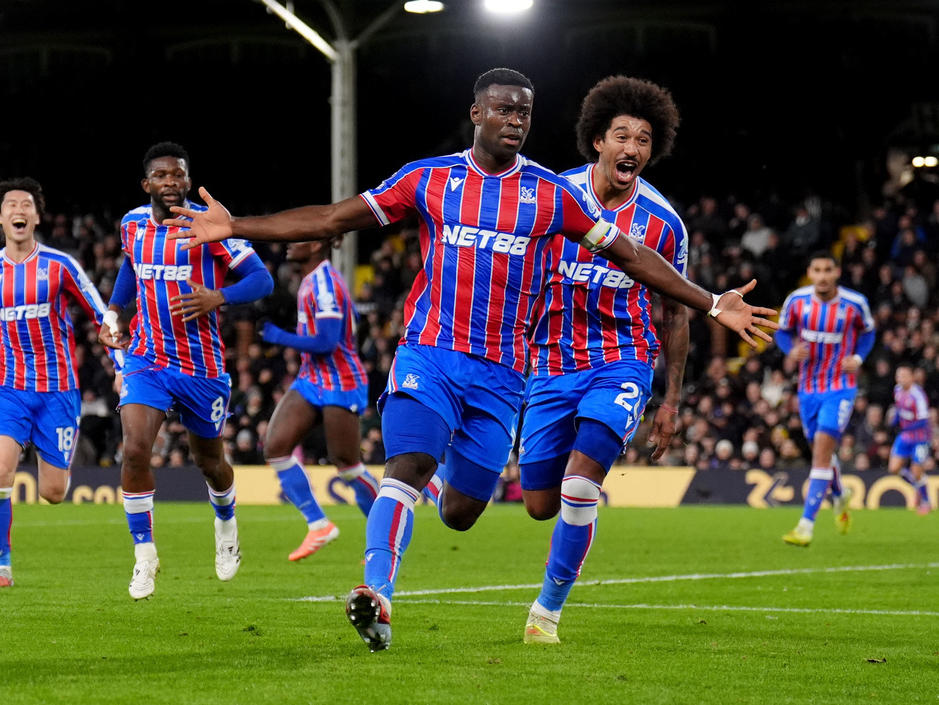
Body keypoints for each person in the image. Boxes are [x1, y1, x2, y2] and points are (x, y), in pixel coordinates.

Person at [165, 68, 776, 651]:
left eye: (525, 113)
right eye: (504, 109)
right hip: (428, 355)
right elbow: (332, 218)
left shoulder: (550, 196)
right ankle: (376, 593)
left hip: (505, 376)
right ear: (476, 113)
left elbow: (634, 256)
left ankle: (460, 521)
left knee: (461, 512)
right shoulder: (427, 180)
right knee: (408, 464)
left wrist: (709, 302)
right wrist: (236, 225)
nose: (515, 120)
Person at [515, 75, 691, 644]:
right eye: (622, 135)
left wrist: (670, 401)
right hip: (550, 364)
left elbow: (676, 312)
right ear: (597, 140)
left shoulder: (664, 224)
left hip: (623, 361)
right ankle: (571, 509)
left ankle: (546, 611)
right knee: (541, 504)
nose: (632, 148)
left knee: (580, 485)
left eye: (643, 139)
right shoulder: (549, 195)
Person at [98, 142, 273, 600]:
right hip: (147, 359)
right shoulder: (132, 223)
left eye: (178, 174)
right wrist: (115, 312)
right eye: (161, 176)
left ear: (188, 180)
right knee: (135, 450)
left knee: (208, 463)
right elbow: (131, 269)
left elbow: (262, 279)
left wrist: (220, 297)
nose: (171, 182)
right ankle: (144, 556)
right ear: (147, 184)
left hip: (202, 367)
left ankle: (226, 521)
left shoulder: (210, 225)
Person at [0, 177, 111, 588]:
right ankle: (0, 568)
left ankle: (52, 456)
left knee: (53, 492)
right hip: (8, 389)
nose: (19, 211)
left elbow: (100, 315)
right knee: (0, 472)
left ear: (37, 216)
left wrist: (120, 363)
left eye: (27, 204)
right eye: (11, 205)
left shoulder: (62, 266)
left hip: (58, 391)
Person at [260, 238, 379, 561]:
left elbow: (327, 341)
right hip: (312, 379)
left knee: (348, 466)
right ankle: (318, 524)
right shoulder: (310, 279)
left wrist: (278, 336)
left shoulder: (325, 284)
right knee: (275, 446)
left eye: (296, 239)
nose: (287, 244)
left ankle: (385, 532)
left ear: (314, 245)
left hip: (341, 381)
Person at [776, 251, 876, 546]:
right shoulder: (796, 301)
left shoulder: (855, 304)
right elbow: (783, 333)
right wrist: (790, 350)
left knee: (821, 450)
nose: (822, 275)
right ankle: (840, 494)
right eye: (816, 270)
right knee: (822, 452)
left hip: (840, 387)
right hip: (808, 389)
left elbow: (868, 334)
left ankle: (805, 526)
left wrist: (858, 357)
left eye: (827, 270)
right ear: (810, 272)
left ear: (837, 272)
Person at [888, 364, 932, 515]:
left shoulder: (918, 395)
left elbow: (924, 420)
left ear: (912, 377)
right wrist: (894, 421)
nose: (901, 379)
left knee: (916, 470)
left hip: (920, 437)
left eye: (904, 376)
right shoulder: (897, 390)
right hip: (905, 436)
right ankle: (917, 486)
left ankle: (926, 502)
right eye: (899, 375)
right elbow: (900, 411)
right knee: (893, 468)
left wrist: (906, 424)